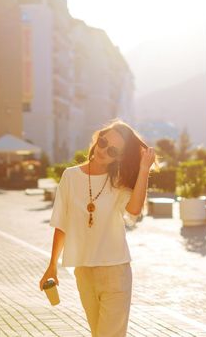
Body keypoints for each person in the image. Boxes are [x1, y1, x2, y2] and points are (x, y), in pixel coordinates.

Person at [39, 119, 157, 337]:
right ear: (97, 138)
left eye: (112, 150)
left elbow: (134, 210)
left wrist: (143, 170)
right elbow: (61, 224)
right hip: (83, 271)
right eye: (103, 142)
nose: (103, 150)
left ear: (120, 157)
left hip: (115, 272)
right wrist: (52, 266)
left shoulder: (119, 181)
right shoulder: (70, 176)